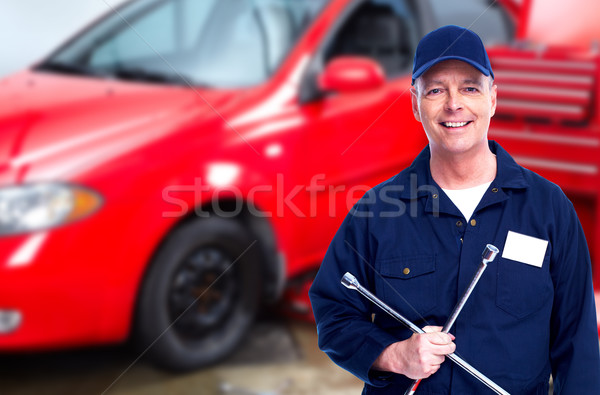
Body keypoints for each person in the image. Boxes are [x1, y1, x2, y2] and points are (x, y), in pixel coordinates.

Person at [308, 25, 600, 394]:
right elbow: (334, 311)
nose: (453, 103)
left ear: (492, 98)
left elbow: (577, 342)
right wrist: (394, 355)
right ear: (415, 104)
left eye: (469, 87)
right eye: (435, 90)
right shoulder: (377, 212)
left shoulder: (549, 209)